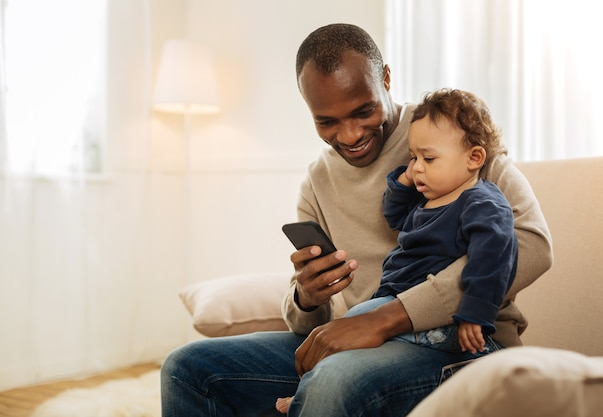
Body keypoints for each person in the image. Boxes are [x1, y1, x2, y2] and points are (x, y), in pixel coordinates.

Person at [161, 23, 552, 417]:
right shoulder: (318, 181)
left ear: (385, 78)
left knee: (336, 380)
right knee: (187, 369)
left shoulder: (447, 133)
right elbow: (306, 322)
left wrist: (388, 318)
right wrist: (307, 297)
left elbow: (532, 246)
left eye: (364, 111)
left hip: (461, 343)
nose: (349, 135)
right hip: (356, 342)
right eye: (326, 121)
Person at [275, 88, 519, 414]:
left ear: (474, 158)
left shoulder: (481, 201)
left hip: (440, 327)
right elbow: (393, 216)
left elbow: (493, 259)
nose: (417, 167)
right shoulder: (428, 199)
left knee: (349, 330)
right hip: (393, 308)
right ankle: (307, 394)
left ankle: (304, 399)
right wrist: (403, 181)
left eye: (427, 159)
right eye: (413, 157)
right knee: (191, 365)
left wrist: (474, 315)